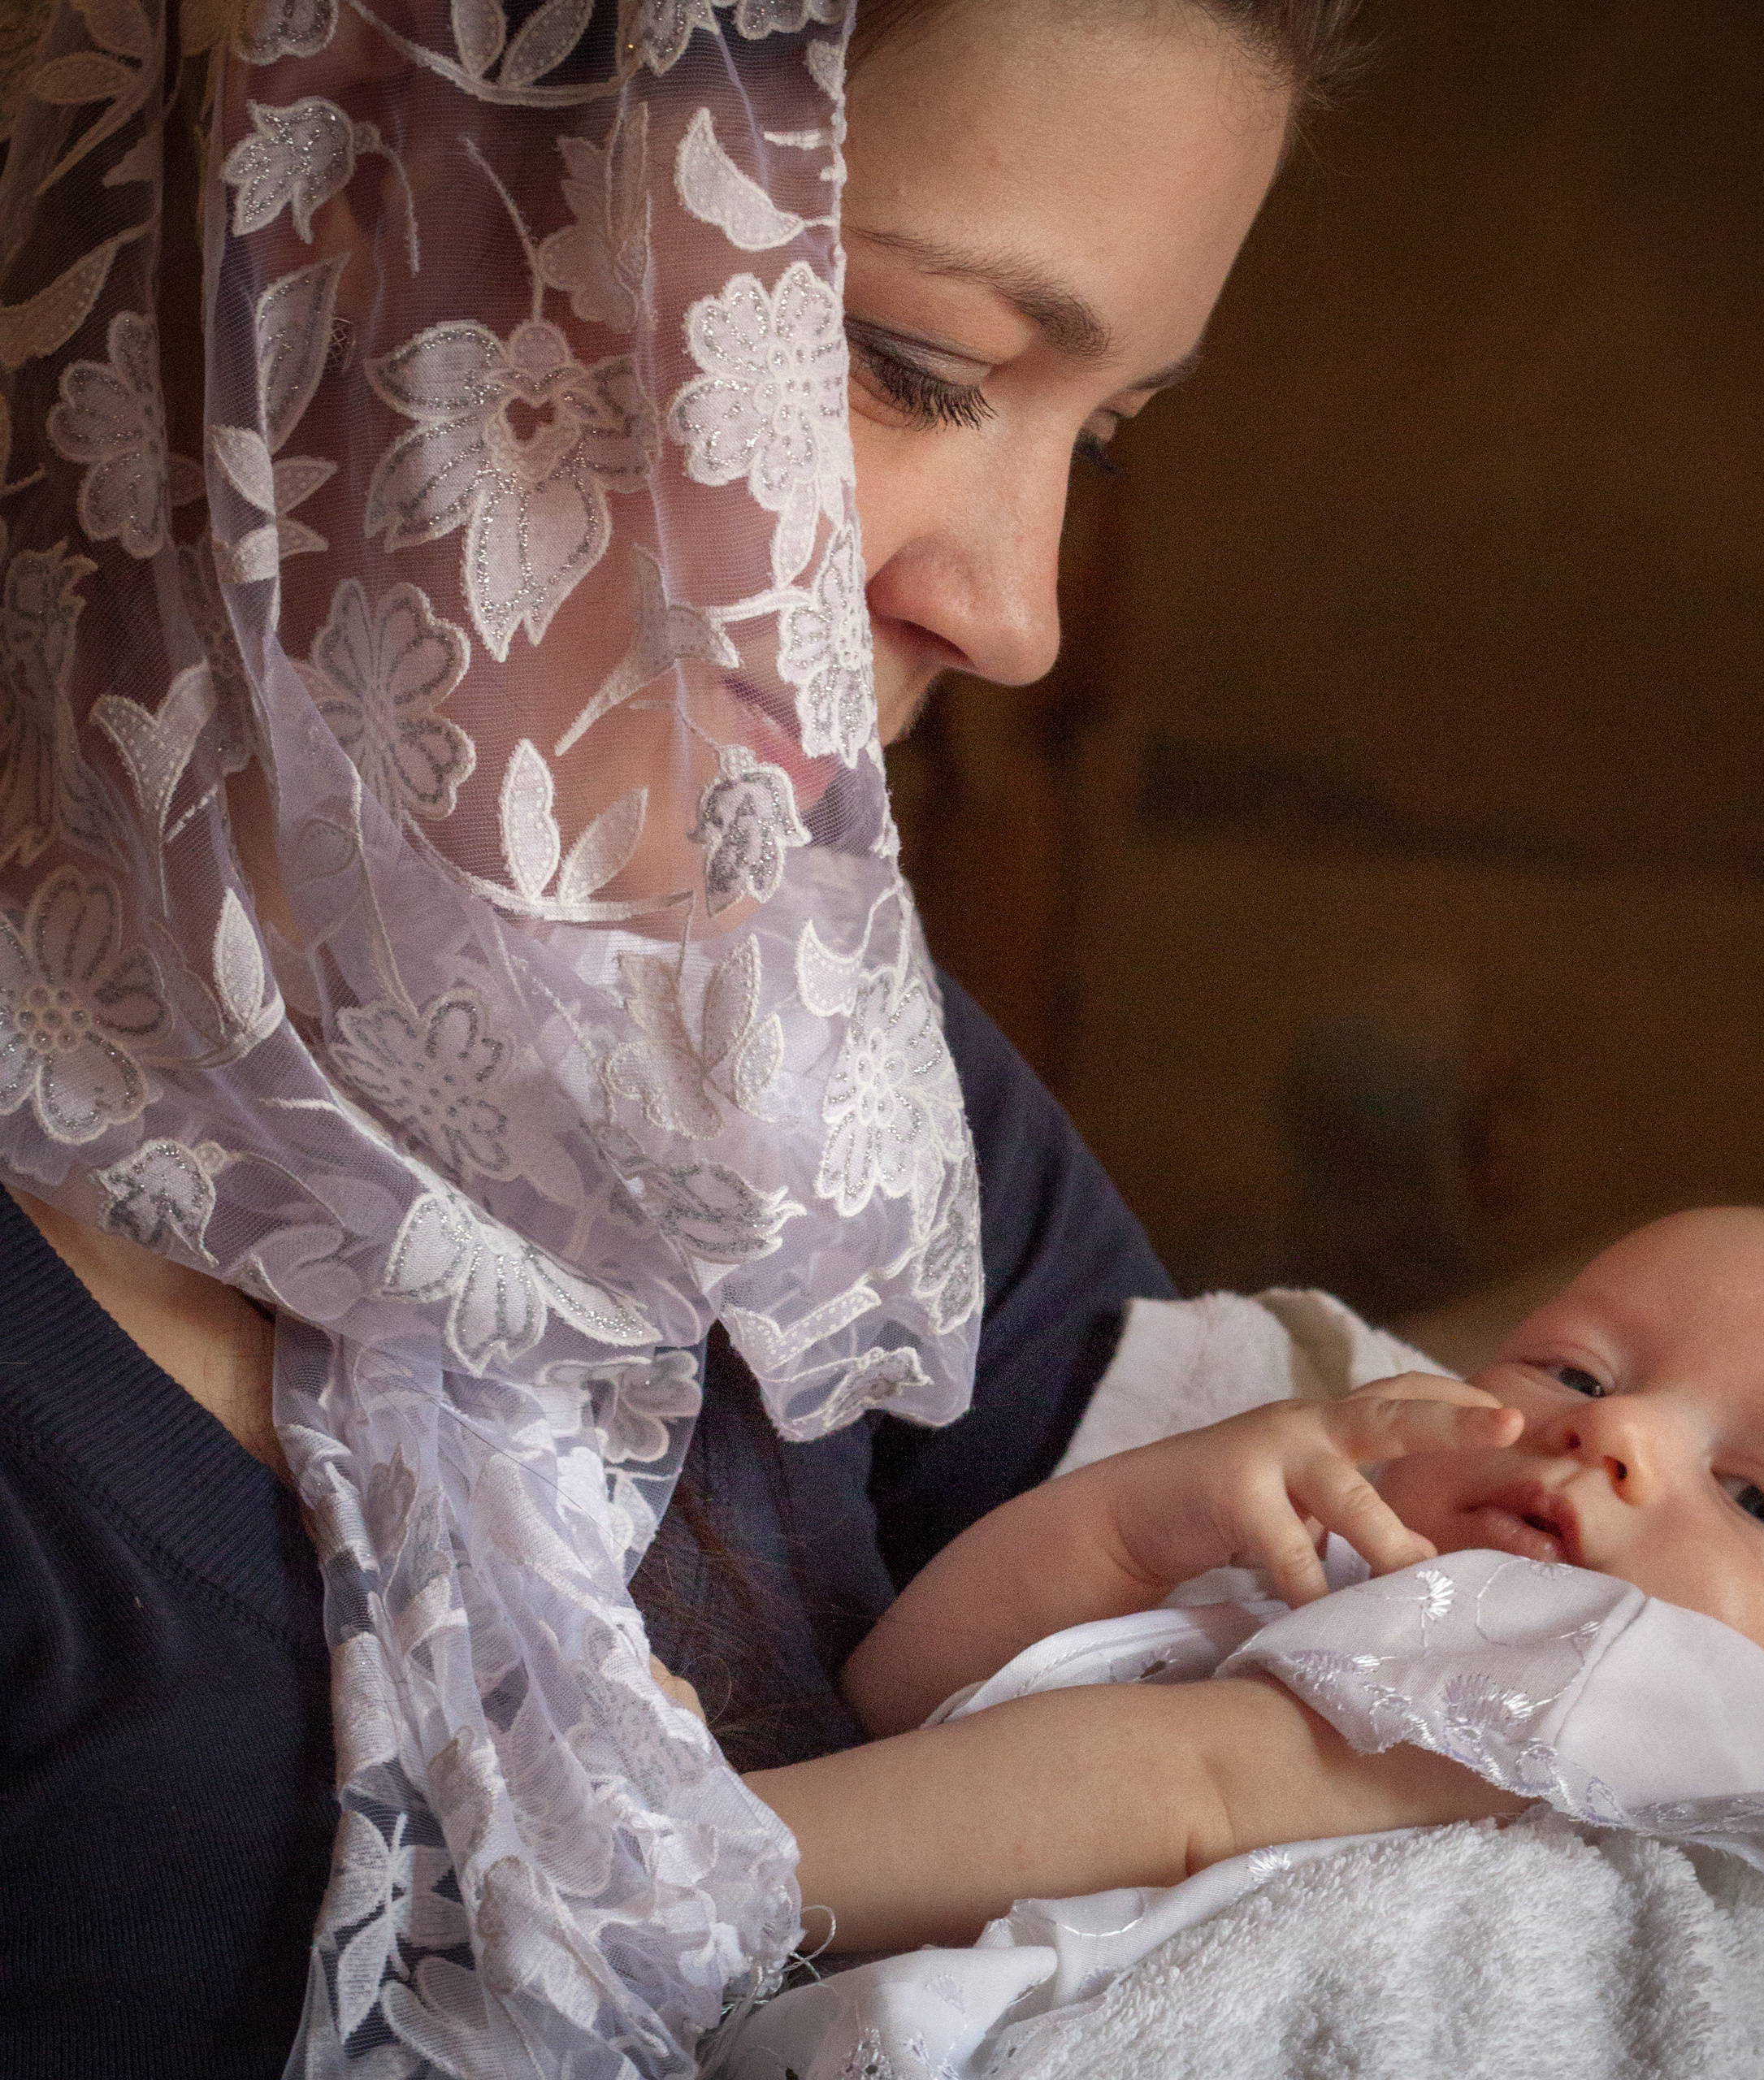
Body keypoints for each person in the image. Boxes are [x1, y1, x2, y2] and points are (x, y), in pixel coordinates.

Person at [0, 4, 1357, 2079]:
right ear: (348, 206)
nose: (1018, 616)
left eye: (1099, 433)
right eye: (914, 366)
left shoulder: (844, 1103)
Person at [722, 1208, 1764, 1956]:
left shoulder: (1644, 1710)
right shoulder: (1335, 1598)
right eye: (1577, 1374)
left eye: (1760, 1500)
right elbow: (902, 1707)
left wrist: (696, 1851)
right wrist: (1141, 1527)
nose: (1623, 1435)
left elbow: (1193, 1785)